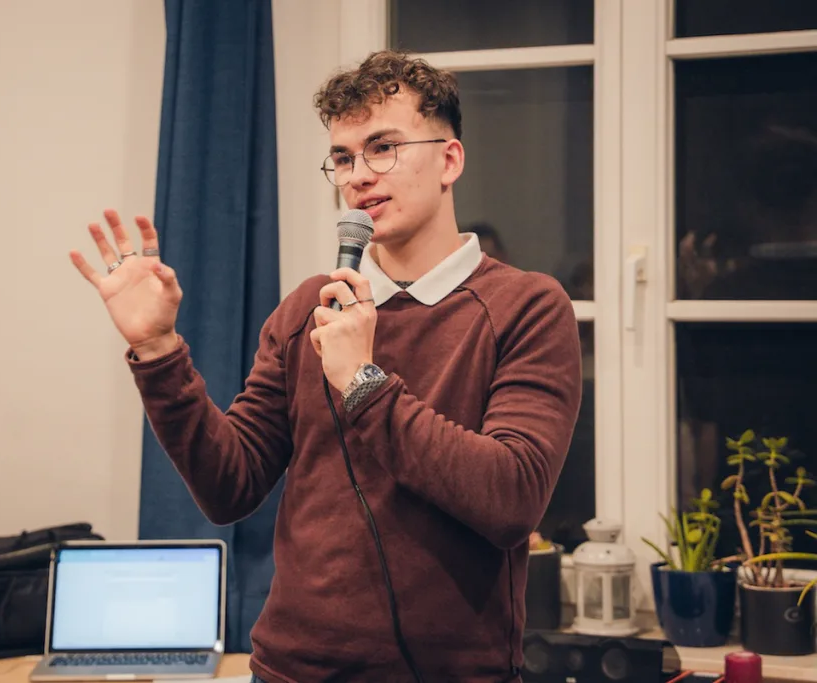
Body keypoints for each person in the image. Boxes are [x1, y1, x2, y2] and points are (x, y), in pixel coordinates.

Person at [71, 50, 582, 683]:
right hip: (291, 670)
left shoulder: (526, 306)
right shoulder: (308, 310)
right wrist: (158, 350)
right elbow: (229, 487)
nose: (358, 176)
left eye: (383, 148)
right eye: (343, 158)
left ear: (449, 160)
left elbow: (511, 500)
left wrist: (362, 382)